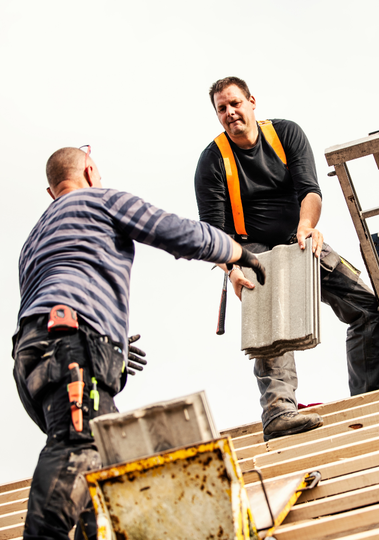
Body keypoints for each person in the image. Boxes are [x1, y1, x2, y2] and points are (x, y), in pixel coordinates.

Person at [13, 146, 266, 540]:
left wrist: (108, 343)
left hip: (34, 355)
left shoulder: (34, 238)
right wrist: (237, 252)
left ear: (51, 191)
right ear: (92, 171)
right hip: (73, 342)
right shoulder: (100, 199)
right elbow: (176, 232)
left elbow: (57, 292)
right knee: (78, 449)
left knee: (96, 477)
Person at [194, 76, 379, 442]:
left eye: (235, 103)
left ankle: (369, 395)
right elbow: (213, 236)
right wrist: (233, 270)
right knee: (270, 323)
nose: (230, 113)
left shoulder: (285, 134)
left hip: (299, 238)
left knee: (367, 306)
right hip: (251, 252)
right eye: (222, 108)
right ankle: (279, 412)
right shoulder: (212, 162)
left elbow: (309, 189)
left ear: (252, 102)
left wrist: (306, 226)